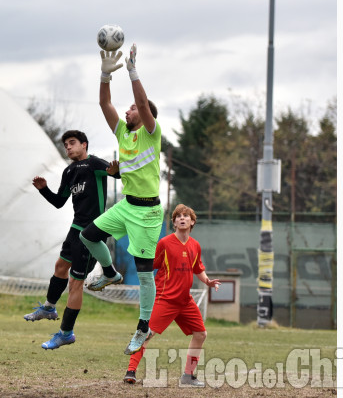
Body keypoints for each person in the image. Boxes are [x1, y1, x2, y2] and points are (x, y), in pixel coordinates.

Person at [79, 43, 164, 355]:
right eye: (127, 108)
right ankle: (110, 272)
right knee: (89, 235)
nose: (128, 110)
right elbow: (105, 104)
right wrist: (105, 75)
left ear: (145, 116)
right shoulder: (122, 133)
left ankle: (143, 326)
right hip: (128, 205)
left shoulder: (151, 133)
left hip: (148, 213)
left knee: (144, 274)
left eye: (133, 108)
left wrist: (133, 71)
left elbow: (143, 104)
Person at [24, 130, 119, 350]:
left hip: (91, 233)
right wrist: (43, 189)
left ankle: (66, 333)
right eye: (66, 144)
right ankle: (49, 307)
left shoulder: (94, 163)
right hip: (75, 229)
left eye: (72, 143)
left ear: (84, 145)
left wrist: (115, 172)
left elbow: (117, 173)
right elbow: (59, 202)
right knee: (60, 267)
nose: (68, 147)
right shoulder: (69, 171)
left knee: (76, 283)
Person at [122, 204, 221, 387]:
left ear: (192, 222)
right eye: (178, 216)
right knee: (146, 334)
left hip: (185, 301)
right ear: (174, 222)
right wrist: (141, 253)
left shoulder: (195, 245)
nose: (182, 218)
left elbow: (197, 268)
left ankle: (188, 376)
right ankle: (131, 371)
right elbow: (151, 264)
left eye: (186, 216)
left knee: (200, 334)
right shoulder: (165, 243)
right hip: (164, 298)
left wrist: (207, 281)